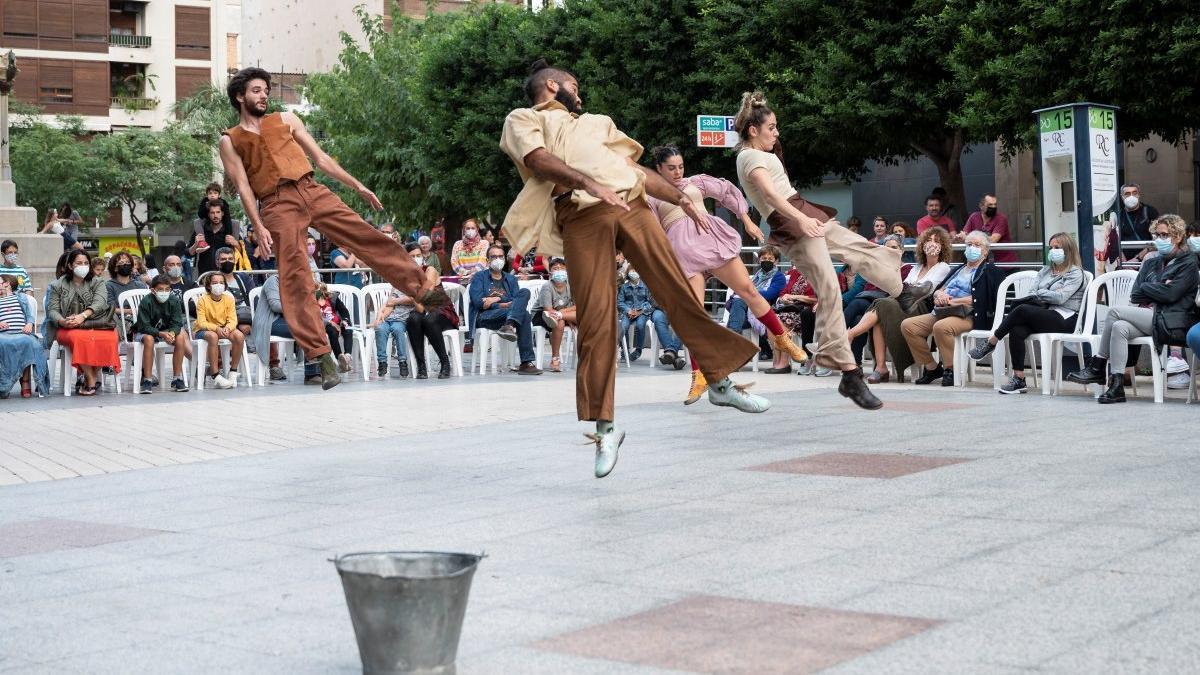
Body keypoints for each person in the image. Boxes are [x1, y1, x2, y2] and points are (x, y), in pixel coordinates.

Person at [500, 61, 770, 477]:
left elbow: (636, 172)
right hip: (580, 212)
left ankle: (718, 382)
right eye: (574, 84)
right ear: (553, 85)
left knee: (676, 290)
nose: (580, 90)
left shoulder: (597, 122)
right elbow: (537, 160)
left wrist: (680, 198)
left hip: (631, 204)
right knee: (596, 319)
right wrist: (588, 184)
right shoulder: (524, 118)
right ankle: (606, 428)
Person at [219, 67, 425, 391]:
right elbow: (243, 186)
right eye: (256, 90)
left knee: (366, 236)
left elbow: (322, 158)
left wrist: (357, 186)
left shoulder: (286, 119)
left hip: (312, 189)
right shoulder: (230, 140)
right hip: (276, 203)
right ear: (240, 96)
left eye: (265, 90)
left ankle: (422, 287)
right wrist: (257, 226)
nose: (263, 95)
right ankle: (322, 357)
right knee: (296, 276)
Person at [733, 91, 924, 410]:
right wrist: (801, 220)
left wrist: (805, 216)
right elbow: (769, 194)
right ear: (753, 130)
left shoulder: (761, 151)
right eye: (772, 128)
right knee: (829, 291)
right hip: (792, 221)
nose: (777, 133)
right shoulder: (748, 157)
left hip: (803, 211)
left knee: (862, 248)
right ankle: (848, 373)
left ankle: (902, 291)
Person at [646, 146, 805, 398]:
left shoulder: (696, 183)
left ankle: (781, 337)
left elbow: (727, 193)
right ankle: (699, 375)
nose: (677, 172)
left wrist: (748, 220)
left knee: (748, 290)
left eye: (680, 166)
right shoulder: (652, 197)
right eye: (671, 168)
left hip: (711, 241)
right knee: (694, 317)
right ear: (658, 169)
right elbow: (648, 231)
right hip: (684, 255)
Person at [1069, 214, 1198, 403]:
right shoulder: (1152, 261)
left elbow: (1171, 295)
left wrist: (1150, 287)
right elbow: (1136, 294)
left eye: (1164, 235)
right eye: (1156, 235)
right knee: (1119, 326)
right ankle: (1117, 385)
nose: (1158, 239)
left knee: (1114, 312)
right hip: (1150, 316)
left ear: (1178, 236)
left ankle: (1098, 365)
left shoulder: (1188, 263)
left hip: (1172, 320)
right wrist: (1161, 287)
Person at [967, 233, 1086, 394]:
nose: (1053, 251)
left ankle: (991, 342)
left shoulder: (1075, 273)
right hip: (1045, 314)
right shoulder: (1045, 271)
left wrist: (1042, 291)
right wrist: (1049, 292)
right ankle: (1019, 379)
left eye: (1057, 248)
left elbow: (1060, 298)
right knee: (1017, 330)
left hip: (1066, 318)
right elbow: (1032, 293)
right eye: (1051, 248)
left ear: (1068, 250)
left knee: (1022, 310)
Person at [846, 227, 953, 383]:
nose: (932, 244)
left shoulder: (943, 267)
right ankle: (880, 367)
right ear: (922, 245)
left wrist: (907, 288)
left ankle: (849, 335)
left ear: (942, 246)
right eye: (929, 240)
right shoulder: (917, 267)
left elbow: (923, 291)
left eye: (936, 241)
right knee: (881, 314)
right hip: (903, 303)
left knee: (882, 305)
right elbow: (901, 288)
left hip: (921, 307)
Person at [901, 231, 1005, 386]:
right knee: (908, 326)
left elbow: (982, 300)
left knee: (941, 327)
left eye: (977, 245)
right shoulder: (959, 269)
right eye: (969, 244)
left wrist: (953, 301)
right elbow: (939, 289)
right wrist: (939, 295)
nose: (972, 248)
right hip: (943, 311)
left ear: (985, 251)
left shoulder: (991, 271)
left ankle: (951, 369)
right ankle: (932, 368)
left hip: (969, 316)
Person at [46, 250, 120, 396]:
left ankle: (88, 376)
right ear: (70, 265)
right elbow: (52, 310)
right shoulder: (57, 285)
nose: (83, 266)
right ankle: (91, 379)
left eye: (86, 263)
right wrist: (62, 321)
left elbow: (100, 302)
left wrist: (83, 316)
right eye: (79, 263)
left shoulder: (98, 282)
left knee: (110, 339)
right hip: (68, 327)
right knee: (80, 338)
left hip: (96, 323)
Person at [469, 244, 542, 375]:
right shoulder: (479, 277)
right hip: (485, 316)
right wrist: (501, 304)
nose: (498, 259)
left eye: (500, 256)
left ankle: (509, 325)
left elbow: (517, 300)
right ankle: (526, 362)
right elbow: (478, 302)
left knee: (524, 293)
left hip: (506, 316)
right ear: (488, 260)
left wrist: (494, 299)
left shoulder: (511, 278)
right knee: (523, 314)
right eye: (494, 256)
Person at [723, 245, 789, 364]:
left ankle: (731, 351)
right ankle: (734, 353)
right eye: (764, 258)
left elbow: (769, 294)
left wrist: (747, 293)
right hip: (746, 314)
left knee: (738, 302)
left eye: (770, 259)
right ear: (759, 260)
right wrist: (746, 293)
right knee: (738, 305)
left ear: (777, 261)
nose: (766, 261)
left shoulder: (779, 277)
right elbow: (739, 291)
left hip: (764, 314)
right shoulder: (755, 277)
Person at [402, 243, 457, 379]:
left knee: (430, 320)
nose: (416, 258)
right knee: (413, 320)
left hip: (441, 309)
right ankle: (421, 366)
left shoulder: (430, 270)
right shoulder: (406, 276)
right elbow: (419, 306)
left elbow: (423, 296)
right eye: (412, 256)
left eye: (418, 255)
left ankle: (445, 363)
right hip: (423, 309)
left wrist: (407, 293)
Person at [132, 274, 193, 393]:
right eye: (160, 289)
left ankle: (177, 379)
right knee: (149, 339)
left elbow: (177, 323)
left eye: (167, 289)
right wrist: (161, 334)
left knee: (180, 338)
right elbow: (144, 326)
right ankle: (147, 380)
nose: (164, 292)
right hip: (144, 331)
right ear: (153, 290)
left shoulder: (174, 300)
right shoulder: (146, 301)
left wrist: (172, 333)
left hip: (165, 331)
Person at [0, 275, 48, 398]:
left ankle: (25, 382)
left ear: (8, 284)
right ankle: (4, 383)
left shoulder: (20, 298)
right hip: (3, 334)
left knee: (28, 343)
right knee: (2, 344)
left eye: (0, 283)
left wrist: (29, 323)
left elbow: (29, 314)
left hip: (22, 333)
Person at [193, 271, 242, 389]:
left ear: (225, 285)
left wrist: (227, 328)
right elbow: (201, 322)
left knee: (239, 336)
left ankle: (233, 372)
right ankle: (215, 375)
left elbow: (233, 320)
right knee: (213, 336)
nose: (218, 285)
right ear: (209, 285)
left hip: (223, 328)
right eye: (215, 282)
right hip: (203, 330)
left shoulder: (229, 299)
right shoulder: (203, 300)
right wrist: (216, 328)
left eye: (221, 282)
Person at [768, 266, 817, 374]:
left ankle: (784, 363)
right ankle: (777, 360)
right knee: (770, 320)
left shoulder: (815, 273)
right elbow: (783, 292)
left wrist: (795, 297)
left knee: (781, 321)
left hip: (805, 311)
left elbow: (816, 298)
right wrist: (784, 298)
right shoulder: (795, 273)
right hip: (789, 308)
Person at [533, 257, 576, 372]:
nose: (559, 271)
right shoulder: (547, 286)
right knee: (560, 322)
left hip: (559, 314)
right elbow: (548, 309)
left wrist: (562, 313)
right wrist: (567, 317)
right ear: (551, 272)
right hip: (541, 315)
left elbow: (578, 306)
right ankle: (555, 358)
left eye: (562, 268)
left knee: (585, 313)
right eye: (555, 268)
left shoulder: (571, 286)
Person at [370, 280, 414, 378]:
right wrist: (379, 316)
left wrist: (395, 301)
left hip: (401, 320)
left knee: (397, 330)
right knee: (380, 329)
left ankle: (402, 361)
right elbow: (387, 303)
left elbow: (413, 300)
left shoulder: (413, 291)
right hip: (387, 319)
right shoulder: (396, 288)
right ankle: (382, 362)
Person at [1110, 183, 1161, 265]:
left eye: (1134, 193)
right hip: (1125, 262)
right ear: (1121, 196)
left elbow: (1157, 239)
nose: (1131, 196)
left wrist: (1137, 258)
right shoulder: (1118, 215)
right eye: (1127, 194)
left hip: (1147, 259)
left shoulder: (1149, 212)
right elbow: (1115, 240)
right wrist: (1125, 262)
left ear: (1139, 195)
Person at [960, 194, 1016, 264]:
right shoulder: (974, 217)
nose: (993, 207)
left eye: (995, 205)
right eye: (990, 205)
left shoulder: (1001, 219)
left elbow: (993, 240)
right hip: (981, 263)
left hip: (1004, 264)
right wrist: (961, 236)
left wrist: (968, 238)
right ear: (981, 206)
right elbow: (963, 234)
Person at [189, 200, 240, 275]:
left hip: (225, 274)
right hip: (205, 275)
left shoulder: (230, 229)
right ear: (208, 214)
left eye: (218, 212)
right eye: (212, 213)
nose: (215, 215)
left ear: (222, 213)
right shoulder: (201, 230)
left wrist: (235, 243)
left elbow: (243, 253)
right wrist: (195, 244)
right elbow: (189, 253)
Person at [105, 251, 147, 336]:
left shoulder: (140, 285)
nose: (126, 265)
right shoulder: (109, 286)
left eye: (128, 262)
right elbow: (111, 309)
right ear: (115, 268)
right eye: (121, 263)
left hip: (141, 318)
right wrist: (131, 311)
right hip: (120, 320)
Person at [316, 283, 356, 373]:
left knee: (348, 330)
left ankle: (347, 356)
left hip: (339, 322)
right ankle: (340, 357)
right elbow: (316, 317)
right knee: (333, 332)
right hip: (325, 325)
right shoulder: (312, 302)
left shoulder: (333, 299)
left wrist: (344, 320)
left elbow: (344, 311)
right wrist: (331, 323)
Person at [617, 268, 653, 362]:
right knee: (624, 326)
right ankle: (625, 351)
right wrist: (628, 310)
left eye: (635, 271)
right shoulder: (624, 287)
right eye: (632, 271)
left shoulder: (645, 286)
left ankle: (638, 350)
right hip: (628, 312)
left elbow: (650, 302)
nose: (634, 273)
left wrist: (641, 310)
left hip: (642, 312)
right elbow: (620, 302)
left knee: (640, 325)